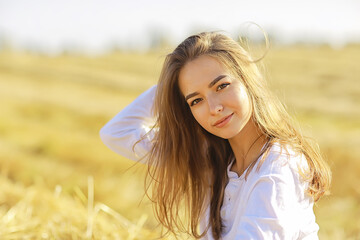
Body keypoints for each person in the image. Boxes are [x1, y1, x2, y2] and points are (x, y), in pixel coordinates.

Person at [100, 32, 331, 239]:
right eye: (196, 100)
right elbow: (116, 132)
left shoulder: (278, 168)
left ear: (248, 80)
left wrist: (190, 80)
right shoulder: (210, 158)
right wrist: (175, 85)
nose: (213, 108)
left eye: (221, 86)